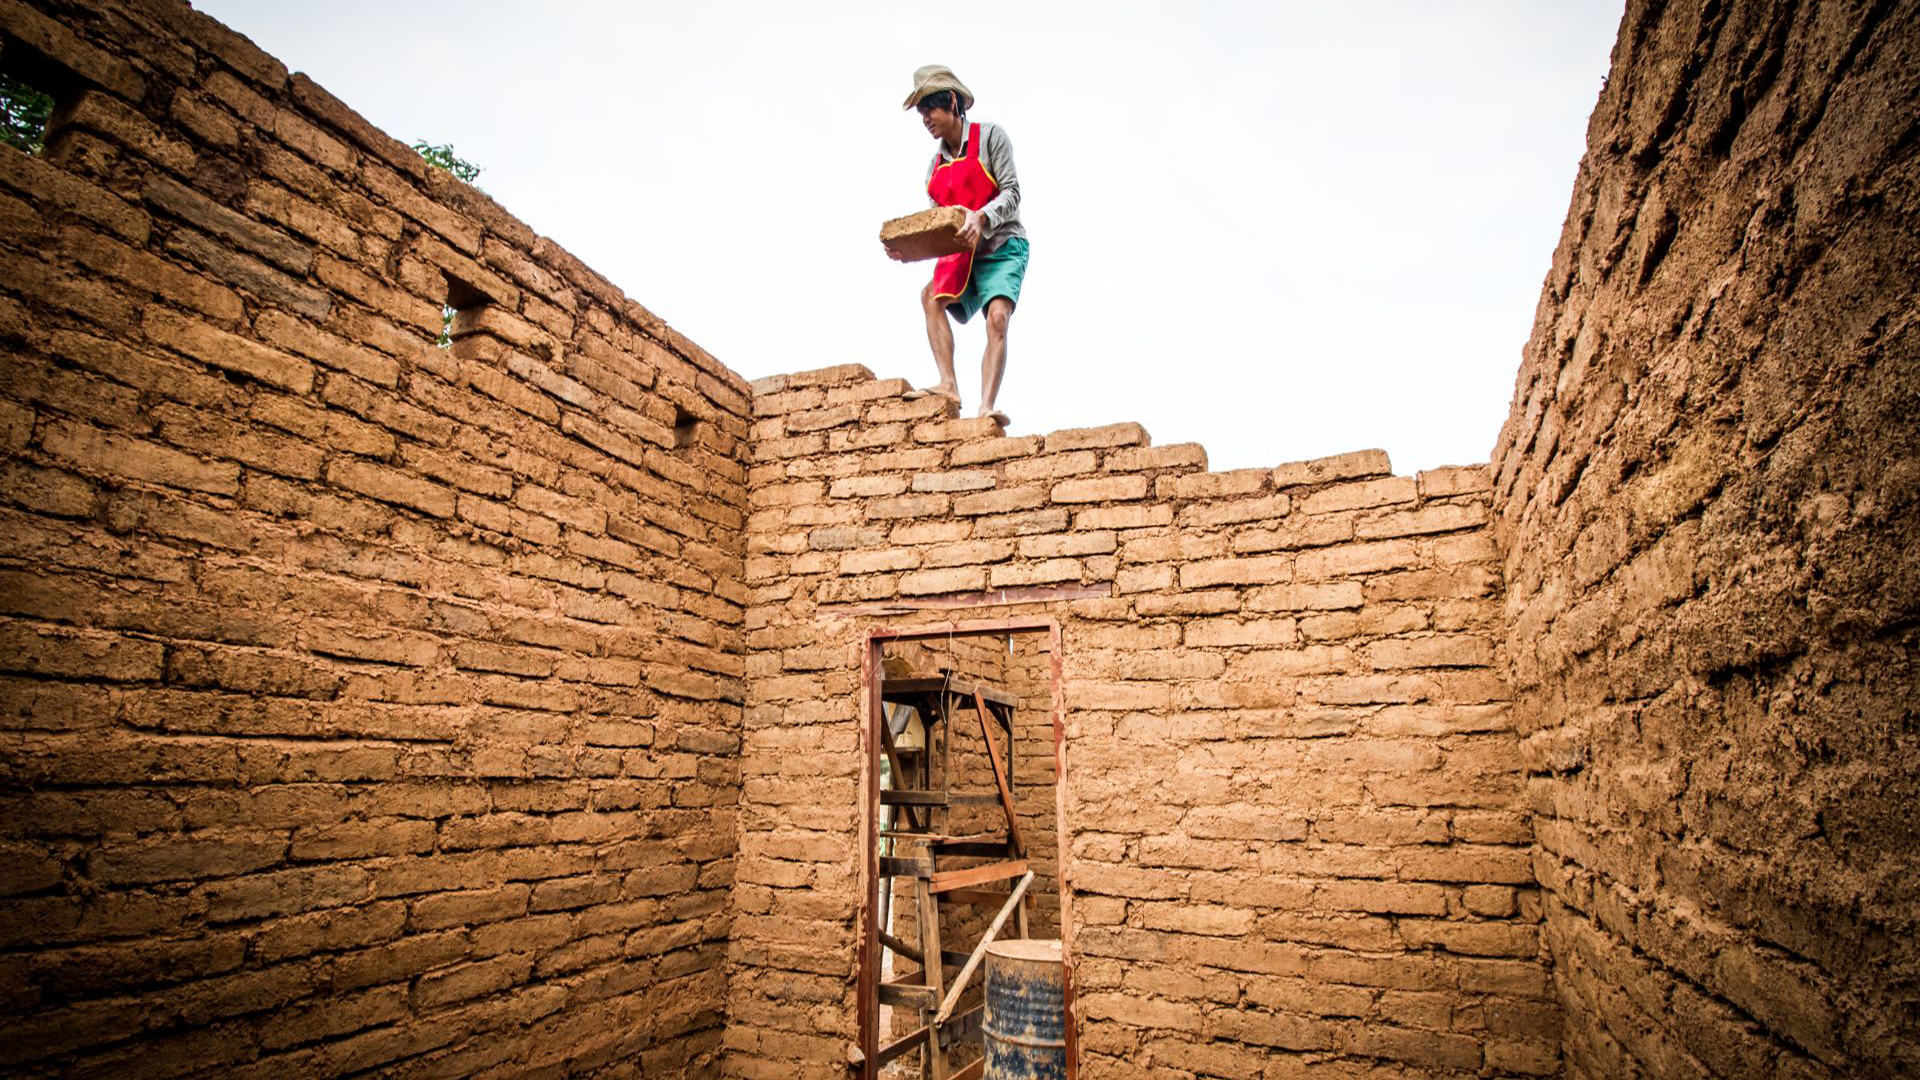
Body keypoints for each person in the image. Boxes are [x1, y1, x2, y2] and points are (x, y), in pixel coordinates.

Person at [901, 65, 1027, 427]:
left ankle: (986, 406)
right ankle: (948, 384)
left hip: (1002, 244)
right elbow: (937, 223)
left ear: (952, 103)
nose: (925, 119)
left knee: (997, 318)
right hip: (963, 252)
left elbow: (1012, 193)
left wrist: (981, 218)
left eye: (930, 109)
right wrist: (910, 249)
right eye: (921, 113)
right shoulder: (935, 168)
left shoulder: (991, 138)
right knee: (930, 298)